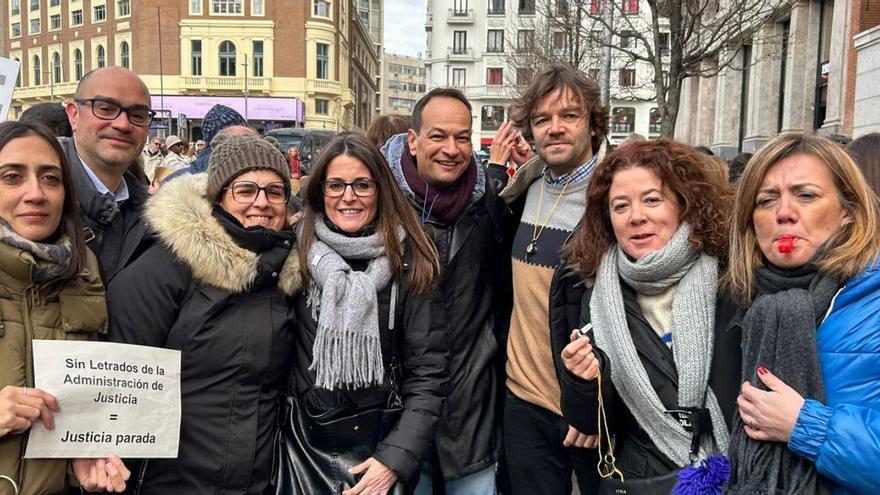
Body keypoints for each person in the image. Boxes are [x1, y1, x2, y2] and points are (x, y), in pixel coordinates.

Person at [106, 135, 300, 494]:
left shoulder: (285, 276)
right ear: (218, 196)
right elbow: (119, 383)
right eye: (246, 190)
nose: (263, 202)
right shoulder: (166, 266)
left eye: (275, 191)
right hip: (168, 482)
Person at [556, 139, 741, 490]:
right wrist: (581, 381)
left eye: (652, 200)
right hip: (645, 479)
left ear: (684, 204)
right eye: (620, 206)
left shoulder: (732, 278)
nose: (636, 216)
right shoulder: (596, 292)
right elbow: (591, 424)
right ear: (607, 219)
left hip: (733, 472)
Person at [276, 132, 445, 495]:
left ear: (381, 189)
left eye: (362, 185)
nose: (348, 196)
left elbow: (429, 373)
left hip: (379, 445)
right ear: (320, 190)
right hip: (302, 443)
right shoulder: (294, 249)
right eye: (335, 185)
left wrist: (394, 460)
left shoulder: (409, 257)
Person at [724, 133, 880, 494]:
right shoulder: (746, 303)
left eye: (806, 195)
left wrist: (805, 425)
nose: (784, 213)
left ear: (848, 211)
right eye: (766, 201)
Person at [380, 88, 507, 494]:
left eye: (462, 137)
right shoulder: (380, 204)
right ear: (413, 141)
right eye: (438, 136)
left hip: (471, 414)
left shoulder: (490, 203)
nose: (451, 149)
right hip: (396, 421)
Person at [496, 63, 609, 495]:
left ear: (593, 123)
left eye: (569, 116)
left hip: (585, 409)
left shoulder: (613, 196)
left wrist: (595, 404)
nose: (555, 128)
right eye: (542, 120)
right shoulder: (526, 187)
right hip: (522, 402)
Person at [0, 121, 130, 494]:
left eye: (51, 179)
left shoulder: (83, 274)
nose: (36, 193)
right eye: (12, 176)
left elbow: (72, 407)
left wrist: (82, 467)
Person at [62, 67, 152, 283]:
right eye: (105, 109)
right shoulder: (29, 202)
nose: (122, 124)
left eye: (138, 115)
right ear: (74, 115)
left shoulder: (153, 218)